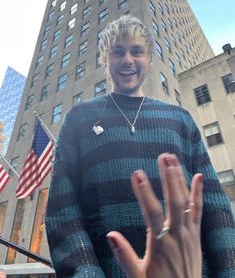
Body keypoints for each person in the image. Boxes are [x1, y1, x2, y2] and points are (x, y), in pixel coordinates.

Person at [45, 15, 235, 277]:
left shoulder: (181, 120)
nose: (128, 60)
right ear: (104, 58)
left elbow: (216, 208)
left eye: (137, 51)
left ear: (149, 59)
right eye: (117, 51)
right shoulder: (78, 119)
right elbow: (63, 213)